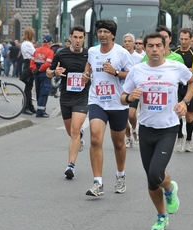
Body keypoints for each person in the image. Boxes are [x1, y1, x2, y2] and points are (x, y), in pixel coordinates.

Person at [121, 32, 193, 230]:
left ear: (164, 48)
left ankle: (170, 188)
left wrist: (185, 102)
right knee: (151, 179)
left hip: (168, 129)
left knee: (156, 173)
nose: (154, 49)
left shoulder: (175, 67)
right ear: (145, 49)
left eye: (158, 46)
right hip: (146, 128)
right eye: (150, 46)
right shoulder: (137, 71)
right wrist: (130, 97)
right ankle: (161, 216)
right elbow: (122, 97)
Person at [82, 19, 135, 196]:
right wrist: (86, 74)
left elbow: (133, 75)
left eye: (106, 32)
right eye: (100, 31)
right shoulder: (92, 51)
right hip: (97, 100)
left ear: (113, 34)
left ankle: (120, 176)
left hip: (117, 103)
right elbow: (89, 64)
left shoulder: (121, 53)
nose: (102, 34)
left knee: (118, 143)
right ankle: (98, 182)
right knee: (95, 138)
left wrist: (116, 72)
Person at [46, 25, 89, 179]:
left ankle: (71, 165)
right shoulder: (61, 54)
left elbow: (95, 74)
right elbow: (48, 72)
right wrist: (54, 72)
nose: (77, 40)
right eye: (75, 37)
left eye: (80, 37)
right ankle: (79, 139)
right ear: (70, 37)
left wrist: (88, 77)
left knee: (76, 130)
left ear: (84, 38)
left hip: (82, 97)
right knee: (71, 132)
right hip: (66, 97)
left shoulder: (89, 55)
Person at [122, 33, 143, 148]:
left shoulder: (139, 58)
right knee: (123, 117)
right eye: (125, 41)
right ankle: (128, 137)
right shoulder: (120, 56)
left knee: (131, 114)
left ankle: (134, 129)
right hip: (122, 90)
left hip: (134, 90)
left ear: (134, 43)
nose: (127, 43)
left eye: (129, 41)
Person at [30, 35, 54, 117]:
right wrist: (40, 69)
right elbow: (47, 63)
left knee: (38, 91)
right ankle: (40, 111)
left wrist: (34, 70)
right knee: (44, 92)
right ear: (50, 42)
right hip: (44, 73)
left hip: (37, 74)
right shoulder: (50, 52)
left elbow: (32, 61)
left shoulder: (37, 50)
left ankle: (41, 109)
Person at [19, 27, 37, 115]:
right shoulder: (28, 44)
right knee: (28, 87)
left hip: (27, 63)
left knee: (28, 87)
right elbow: (35, 53)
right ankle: (26, 106)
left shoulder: (25, 43)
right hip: (29, 64)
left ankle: (29, 105)